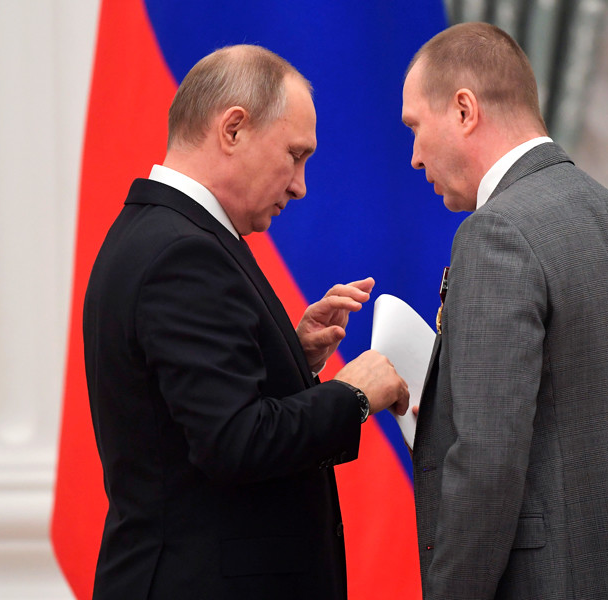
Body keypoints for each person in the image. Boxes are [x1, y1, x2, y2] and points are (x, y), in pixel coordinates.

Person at [83, 44, 408, 600]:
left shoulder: (159, 231)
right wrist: (352, 395)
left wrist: (289, 359)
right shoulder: (183, 253)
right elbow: (234, 442)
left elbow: (190, 414)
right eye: (295, 155)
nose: (300, 185)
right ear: (232, 129)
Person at [402, 22, 608, 599]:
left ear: (464, 110)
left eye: (415, 126)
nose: (414, 158)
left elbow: (487, 461)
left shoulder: (495, 233)